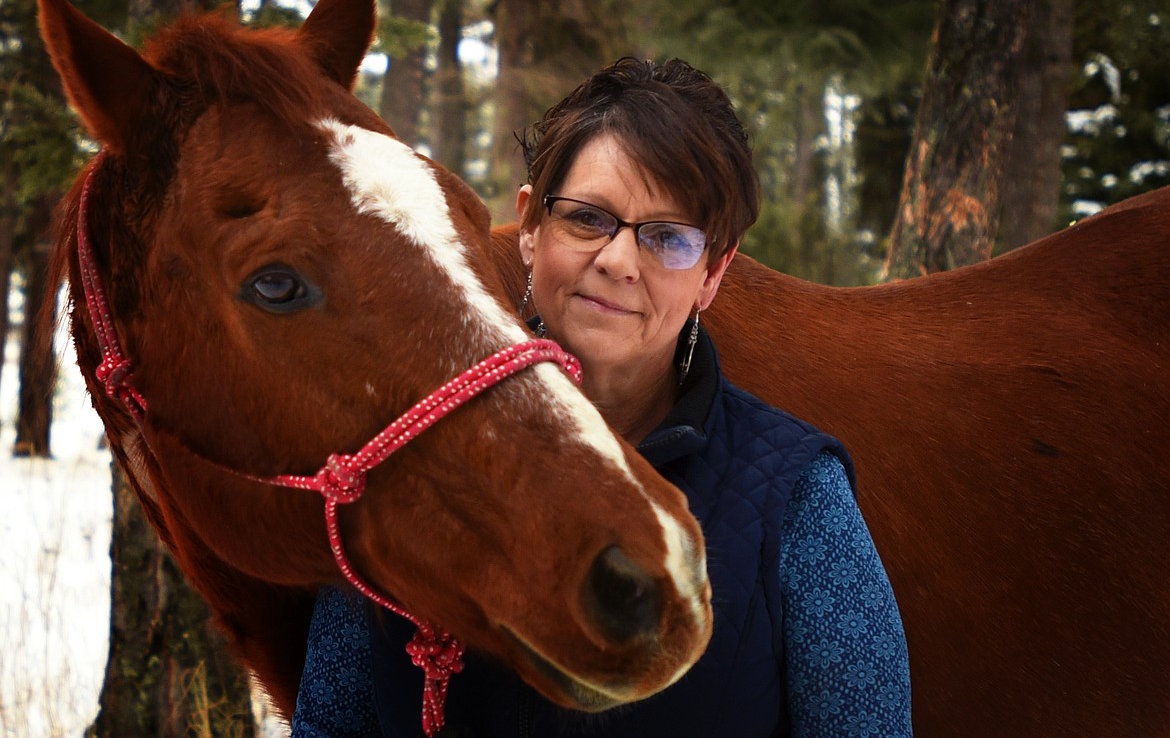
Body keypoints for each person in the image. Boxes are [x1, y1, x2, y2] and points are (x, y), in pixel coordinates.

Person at [292, 57, 912, 737]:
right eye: (589, 218)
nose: (619, 260)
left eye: (668, 237)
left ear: (713, 271)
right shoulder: (402, 451)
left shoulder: (797, 497)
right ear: (530, 227)